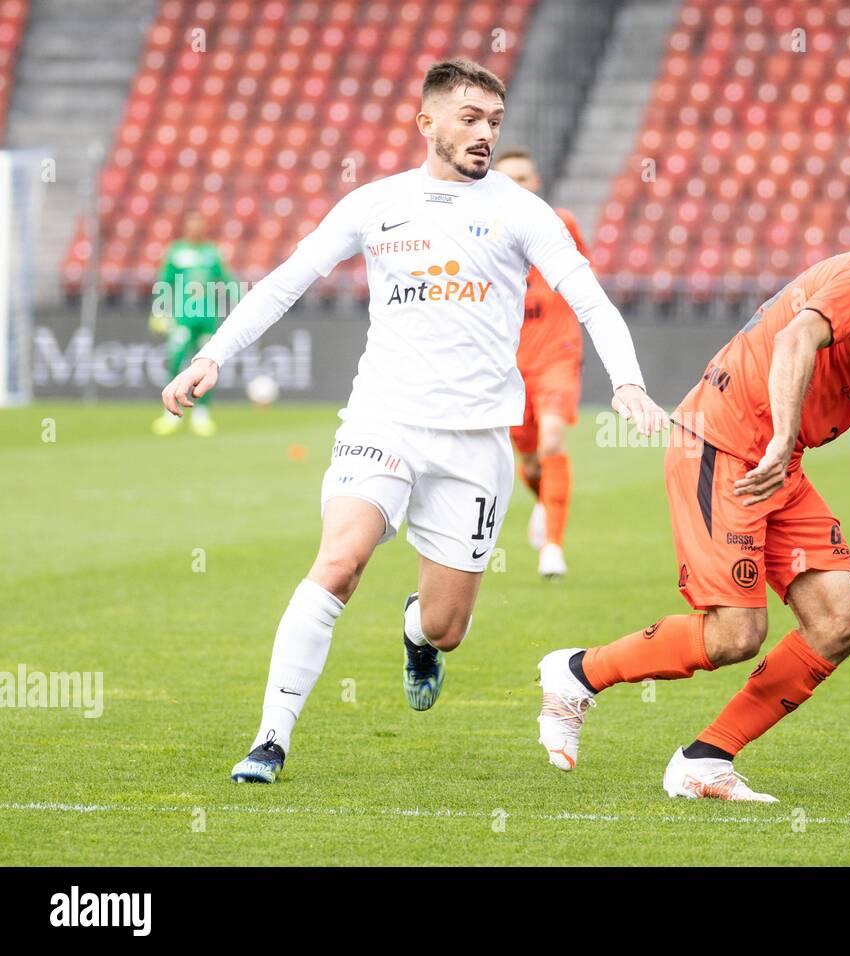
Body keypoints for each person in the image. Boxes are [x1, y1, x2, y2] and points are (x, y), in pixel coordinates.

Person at [159, 58, 667, 784]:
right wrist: (212, 356)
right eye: (469, 118)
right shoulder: (376, 204)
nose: (485, 133)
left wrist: (627, 381)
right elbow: (284, 282)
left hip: (474, 442)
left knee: (446, 627)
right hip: (383, 420)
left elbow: (591, 300)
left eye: (493, 121)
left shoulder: (523, 211)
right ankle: (270, 738)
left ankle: (414, 633)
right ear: (425, 122)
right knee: (339, 562)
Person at [537, 167, 850, 801]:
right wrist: (779, 437)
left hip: (776, 462)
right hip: (722, 445)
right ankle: (578, 673)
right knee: (735, 636)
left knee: (840, 621)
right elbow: (799, 335)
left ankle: (705, 760)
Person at [494, 148, 587, 579]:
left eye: (523, 178)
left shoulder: (560, 224)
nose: (514, 186)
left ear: (536, 184)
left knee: (552, 439)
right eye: (505, 179)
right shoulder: (484, 236)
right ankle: (544, 503)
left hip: (557, 356)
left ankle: (554, 547)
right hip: (510, 366)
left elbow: (584, 276)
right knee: (529, 462)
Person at [150, 212, 238, 437]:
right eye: (191, 225)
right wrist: (159, 310)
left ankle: (202, 414)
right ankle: (170, 413)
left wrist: (240, 301)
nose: (195, 229)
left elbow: (226, 281)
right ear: (186, 227)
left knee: (207, 367)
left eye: (199, 225)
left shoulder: (211, 252)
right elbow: (164, 282)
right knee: (175, 360)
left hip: (207, 319)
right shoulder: (176, 251)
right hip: (182, 317)